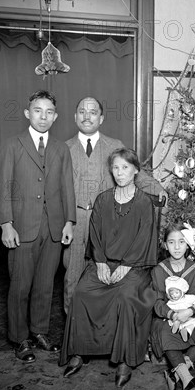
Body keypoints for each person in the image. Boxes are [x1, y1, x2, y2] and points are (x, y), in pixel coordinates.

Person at [59, 147, 159, 387]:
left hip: (135, 266)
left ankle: (125, 358)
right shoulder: (103, 199)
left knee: (125, 296)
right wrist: (101, 262)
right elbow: (94, 234)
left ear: (136, 170)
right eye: (116, 168)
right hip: (104, 262)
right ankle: (79, 351)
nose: (120, 173)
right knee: (82, 292)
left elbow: (145, 237)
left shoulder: (144, 202)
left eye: (125, 167)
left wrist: (126, 265)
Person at [63, 97, 165, 314]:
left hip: (107, 222)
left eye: (92, 112)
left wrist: (158, 189)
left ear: (101, 118)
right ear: (75, 117)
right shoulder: (63, 149)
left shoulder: (114, 145)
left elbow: (135, 172)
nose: (87, 116)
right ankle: (73, 329)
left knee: (105, 278)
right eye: (82, 112)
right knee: (72, 276)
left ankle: (102, 326)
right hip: (75, 220)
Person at [0, 90, 76, 363]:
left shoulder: (60, 148)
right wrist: (7, 224)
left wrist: (68, 222)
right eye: (38, 110)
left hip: (52, 228)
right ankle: (20, 338)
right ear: (28, 113)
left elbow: (68, 187)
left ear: (56, 117)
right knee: (20, 286)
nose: (43, 116)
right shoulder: (12, 145)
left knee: (44, 286)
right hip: (22, 228)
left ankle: (39, 331)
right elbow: (4, 188)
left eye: (49, 112)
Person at [151, 222, 195, 390]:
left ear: (188, 244)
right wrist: (174, 315)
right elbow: (157, 301)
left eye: (181, 242)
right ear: (165, 245)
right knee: (164, 329)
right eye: (172, 242)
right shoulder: (159, 270)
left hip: (191, 317)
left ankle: (175, 373)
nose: (177, 247)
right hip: (169, 318)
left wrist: (190, 311)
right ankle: (187, 379)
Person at [164, 275, 195, 342]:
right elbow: (167, 310)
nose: (174, 295)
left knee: (193, 322)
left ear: (182, 291)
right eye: (171, 294)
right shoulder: (170, 303)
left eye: (176, 293)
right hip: (177, 317)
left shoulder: (189, 298)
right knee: (173, 320)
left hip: (189, 317)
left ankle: (186, 332)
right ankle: (176, 327)